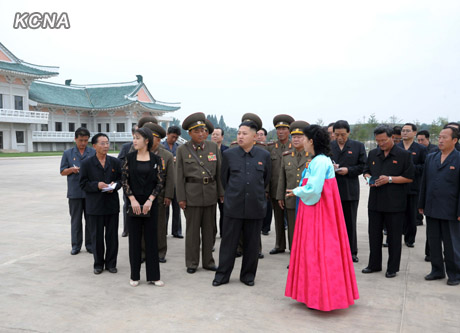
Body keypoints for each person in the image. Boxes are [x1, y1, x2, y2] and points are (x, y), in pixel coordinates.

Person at [285, 125, 359, 311]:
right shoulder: (323, 160)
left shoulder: (318, 162)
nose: (300, 141)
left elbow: (314, 189)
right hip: (321, 209)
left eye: (303, 138)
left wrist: (296, 191)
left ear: (311, 141)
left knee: (316, 250)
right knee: (323, 250)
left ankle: (319, 295)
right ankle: (316, 294)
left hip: (317, 211)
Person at [212, 121, 271, 287]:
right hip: (234, 206)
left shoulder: (263, 156)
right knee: (228, 244)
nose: (240, 136)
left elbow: (266, 179)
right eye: (239, 133)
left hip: (255, 206)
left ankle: (248, 275)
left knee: (252, 245)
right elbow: (225, 179)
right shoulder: (230, 155)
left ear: (254, 136)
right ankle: (222, 275)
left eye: (244, 133)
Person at [362, 125, 414, 278]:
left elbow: (409, 177)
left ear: (392, 137)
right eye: (378, 141)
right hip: (375, 202)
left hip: (395, 203)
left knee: (394, 237)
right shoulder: (373, 154)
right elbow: (366, 171)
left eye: (384, 140)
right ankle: (374, 264)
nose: (381, 143)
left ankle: (392, 268)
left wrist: (390, 179)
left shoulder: (404, 155)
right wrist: (368, 178)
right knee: (374, 235)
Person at [176, 112, 224, 274]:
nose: (201, 133)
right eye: (196, 131)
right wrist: (181, 198)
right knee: (192, 232)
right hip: (192, 196)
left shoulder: (212, 147)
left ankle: (208, 262)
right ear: (189, 133)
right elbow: (179, 176)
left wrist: (221, 193)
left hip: (210, 195)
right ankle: (192, 262)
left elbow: (219, 173)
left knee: (210, 231)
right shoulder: (182, 150)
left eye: (203, 130)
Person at [122, 127, 165, 287]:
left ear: (146, 140)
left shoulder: (156, 159)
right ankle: (134, 275)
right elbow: (124, 180)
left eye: (138, 138)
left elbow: (160, 181)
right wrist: (132, 199)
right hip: (133, 204)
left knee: (151, 240)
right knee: (134, 240)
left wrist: (150, 200)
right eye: (134, 137)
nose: (134, 141)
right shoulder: (129, 158)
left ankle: (154, 276)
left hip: (150, 205)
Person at [418, 126, 460, 286]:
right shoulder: (431, 157)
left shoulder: (458, 159)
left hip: (451, 209)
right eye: (440, 137)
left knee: (451, 244)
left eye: (445, 137)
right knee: (433, 242)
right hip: (432, 207)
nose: (440, 140)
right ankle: (437, 270)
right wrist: (421, 204)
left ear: (455, 140)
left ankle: (455, 273)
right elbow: (425, 182)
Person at [80, 133, 122, 275]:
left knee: (112, 237)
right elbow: (83, 184)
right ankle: (98, 264)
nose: (106, 146)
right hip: (95, 206)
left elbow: (121, 181)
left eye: (107, 143)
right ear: (94, 146)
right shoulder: (87, 163)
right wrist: (96, 185)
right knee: (97, 237)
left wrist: (114, 186)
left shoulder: (115, 162)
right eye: (102, 143)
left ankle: (111, 263)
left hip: (111, 205)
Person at [331, 120, 367, 263]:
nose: (340, 138)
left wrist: (348, 170)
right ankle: (334, 250)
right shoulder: (329, 146)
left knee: (350, 222)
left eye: (343, 135)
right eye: (337, 134)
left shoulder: (358, 146)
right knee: (332, 223)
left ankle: (351, 251)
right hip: (332, 189)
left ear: (348, 133)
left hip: (349, 189)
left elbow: (363, 166)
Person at [60, 127, 95, 255]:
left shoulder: (92, 152)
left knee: (90, 219)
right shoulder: (68, 153)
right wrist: (71, 170)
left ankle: (90, 244)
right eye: (81, 140)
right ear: (75, 139)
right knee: (76, 220)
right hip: (74, 192)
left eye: (86, 140)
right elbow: (62, 172)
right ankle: (76, 245)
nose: (83, 143)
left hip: (89, 191)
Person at [276, 120, 310, 252]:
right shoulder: (287, 156)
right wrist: (280, 196)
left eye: (299, 137)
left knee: (307, 230)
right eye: (294, 137)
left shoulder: (313, 156)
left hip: (307, 200)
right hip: (291, 199)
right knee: (292, 229)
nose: (296, 140)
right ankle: (294, 255)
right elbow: (282, 178)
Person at [143, 122, 174, 263]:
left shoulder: (166, 155)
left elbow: (171, 178)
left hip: (160, 196)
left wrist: (168, 195)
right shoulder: (139, 152)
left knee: (160, 225)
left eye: (152, 137)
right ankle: (143, 252)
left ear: (158, 139)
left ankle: (160, 252)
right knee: (143, 225)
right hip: (142, 195)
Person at [268, 114, 294, 255]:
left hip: (291, 189)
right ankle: (279, 245)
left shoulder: (294, 147)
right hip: (275, 189)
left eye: (284, 128)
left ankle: (293, 246)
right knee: (278, 219)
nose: (281, 131)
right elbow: (266, 171)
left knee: (291, 221)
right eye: (278, 129)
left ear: (289, 131)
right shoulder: (270, 148)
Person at [397, 123, 427, 248]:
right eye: (403, 130)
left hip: (413, 186)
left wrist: (410, 168)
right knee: (397, 214)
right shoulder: (396, 147)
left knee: (411, 214)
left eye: (407, 130)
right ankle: (394, 237)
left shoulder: (420, 149)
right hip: (397, 186)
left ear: (414, 133)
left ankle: (410, 239)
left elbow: (424, 166)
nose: (404, 133)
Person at [162, 125, 183, 238]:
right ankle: (163, 230)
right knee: (164, 209)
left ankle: (177, 230)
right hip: (164, 182)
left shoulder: (180, 148)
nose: (174, 139)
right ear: (167, 134)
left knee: (177, 208)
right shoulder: (161, 147)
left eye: (176, 137)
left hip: (177, 182)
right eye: (172, 136)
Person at [118, 124, 139, 237]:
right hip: (129, 182)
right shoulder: (126, 147)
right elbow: (119, 162)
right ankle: (126, 229)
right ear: (132, 134)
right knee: (127, 205)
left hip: (141, 183)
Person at [211, 127, 229, 238]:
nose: (215, 136)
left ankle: (224, 233)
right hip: (211, 186)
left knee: (224, 211)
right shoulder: (207, 150)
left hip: (224, 186)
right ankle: (212, 234)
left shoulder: (227, 151)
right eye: (213, 134)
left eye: (217, 134)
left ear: (222, 137)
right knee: (211, 214)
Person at [257, 127, 273, 236]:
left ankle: (266, 227)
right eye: (257, 134)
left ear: (265, 136)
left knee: (267, 207)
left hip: (266, 183)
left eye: (261, 134)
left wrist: (267, 188)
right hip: (255, 185)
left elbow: (269, 170)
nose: (259, 136)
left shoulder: (268, 149)